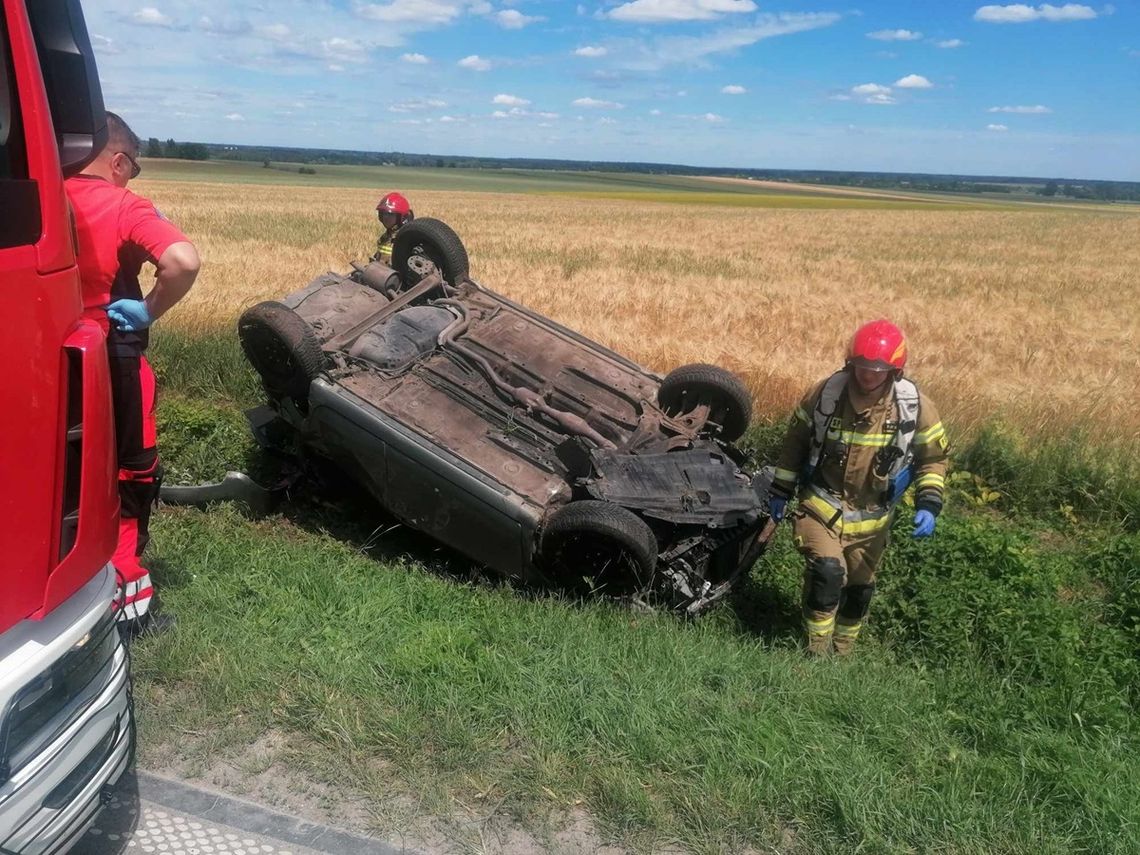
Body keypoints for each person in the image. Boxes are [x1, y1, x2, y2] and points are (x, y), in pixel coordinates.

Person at [65, 112, 200, 636]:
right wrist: (148, 309)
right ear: (117, 161)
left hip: (47, 358)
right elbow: (182, 262)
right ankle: (128, 600)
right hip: (114, 357)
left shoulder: (38, 199)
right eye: (133, 168)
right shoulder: (122, 204)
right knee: (133, 473)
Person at [768, 319, 948, 656]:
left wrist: (929, 501)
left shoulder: (914, 407)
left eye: (877, 369)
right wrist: (781, 489)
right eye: (862, 366)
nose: (868, 375)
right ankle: (816, 651)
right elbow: (794, 443)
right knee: (827, 572)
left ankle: (843, 652)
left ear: (894, 370)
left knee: (860, 590)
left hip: (873, 519)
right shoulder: (826, 396)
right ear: (850, 363)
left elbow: (934, 458)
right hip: (822, 505)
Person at [371, 191, 414, 264]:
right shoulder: (385, 237)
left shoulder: (406, 239)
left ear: (401, 217)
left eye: (390, 214)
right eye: (384, 214)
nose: (386, 217)